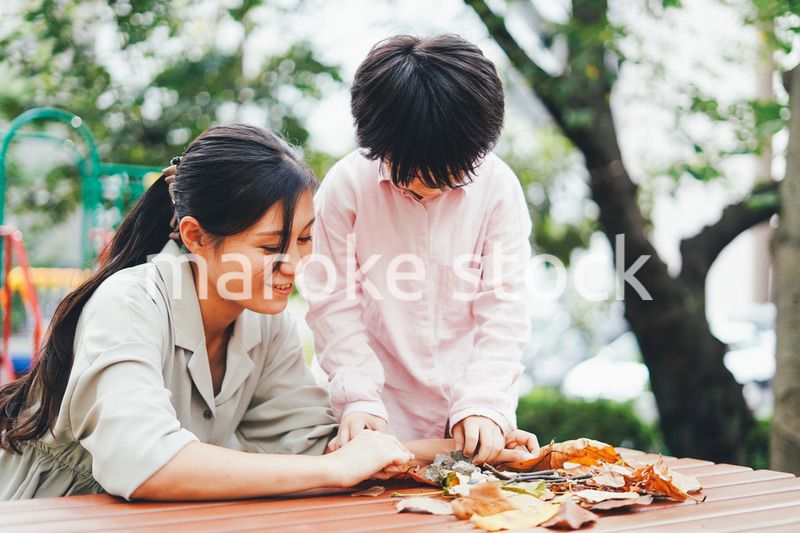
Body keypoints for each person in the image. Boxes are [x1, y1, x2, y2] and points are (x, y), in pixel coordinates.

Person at [0, 124, 535, 501]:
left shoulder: (264, 322)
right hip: (54, 513)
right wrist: (332, 471)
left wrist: (464, 452)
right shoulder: (129, 304)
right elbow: (147, 464)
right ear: (195, 236)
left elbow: (322, 445)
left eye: (305, 240)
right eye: (270, 247)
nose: (297, 265)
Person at [304, 34, 533, 465]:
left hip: (472, 421)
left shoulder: (498, 188)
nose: (429, 183)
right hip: (371, 419)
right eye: (412, 168)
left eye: (450, 171)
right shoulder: (345, 188)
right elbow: (332, 305)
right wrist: (358, 399)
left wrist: (484, 401)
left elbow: (504, 308)